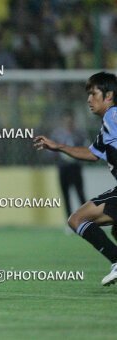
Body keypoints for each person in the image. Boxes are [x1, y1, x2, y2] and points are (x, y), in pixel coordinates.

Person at [34, 71, 117, 286]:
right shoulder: (107, 125)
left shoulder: (113, 115)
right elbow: (91, 154)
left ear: (109, 96)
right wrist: (59, 146)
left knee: (77, 219)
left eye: (93, 93)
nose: (89, 99)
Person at [52, 113, 87, 220]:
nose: (68, 123)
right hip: (63, 167)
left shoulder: (79, 134)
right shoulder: (57, 135)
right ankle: (70, 220)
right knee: (65, 195)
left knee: (80, 194)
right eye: (66, 121)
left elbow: (85, 148)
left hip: (75, 166)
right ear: (63, 122)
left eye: (70, 121)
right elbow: (50, 151)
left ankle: (85, 219)